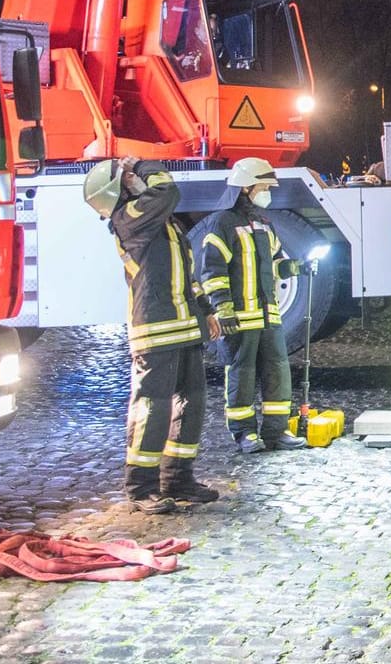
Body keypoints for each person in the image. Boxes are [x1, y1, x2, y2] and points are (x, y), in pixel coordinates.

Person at [83, 157, 221, 514]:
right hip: (155, 329)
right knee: (152, 408)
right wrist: (144, 165)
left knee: (191, 404)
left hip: (184, 324)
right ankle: (141, 486)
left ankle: (178, 478)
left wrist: (205, 310)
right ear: (120, 188)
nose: (136, 180)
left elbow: (186, 271)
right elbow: (167, 190)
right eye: (128, 178)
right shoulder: (129, 219)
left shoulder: (163, 224)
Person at [195, 157, 307, 454]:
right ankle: (244, 433)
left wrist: (295, 268)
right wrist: (223, 309)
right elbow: (212, 271)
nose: (268, 191)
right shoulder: (221, 223)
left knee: (277, 371)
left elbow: (276, 261)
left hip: (269, 316)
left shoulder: (263, 223)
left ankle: (276, 431)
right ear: (245, 188)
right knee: (241, 374)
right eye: (264, 186)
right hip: (239, 318)